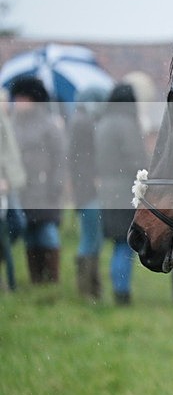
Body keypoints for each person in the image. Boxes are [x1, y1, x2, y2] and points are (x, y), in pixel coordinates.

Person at [9, 76, 66, 284]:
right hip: (22, 190)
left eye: (23, 97)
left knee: (47, 234)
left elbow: (60, 159)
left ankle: (52, 279)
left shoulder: (49, 125)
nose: (18, 102)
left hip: (45, 189)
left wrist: (56, 185)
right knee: (30, 238)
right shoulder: (13, 123)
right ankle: (36, 280)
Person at [95, 84, 148, 305]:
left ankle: (117, 290)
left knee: (118, 244)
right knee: (124, 246)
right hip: (125, 191)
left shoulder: (103, 122)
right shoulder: (127, 124)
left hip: (105, 192)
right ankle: (122, 293)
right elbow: (136, 160)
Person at [67, 86, 107, 300]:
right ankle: (88, 291)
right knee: (91, 239)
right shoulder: (85, 123)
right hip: (90, 191)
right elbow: (85, 159)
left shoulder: (78, 120)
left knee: (92, 238)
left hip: (85, 190)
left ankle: (92, 289)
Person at [0, 89, 26, 291]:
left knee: (16, 224)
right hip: (4, 183)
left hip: (10, 183)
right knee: (12, 225)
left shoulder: (8, 120)